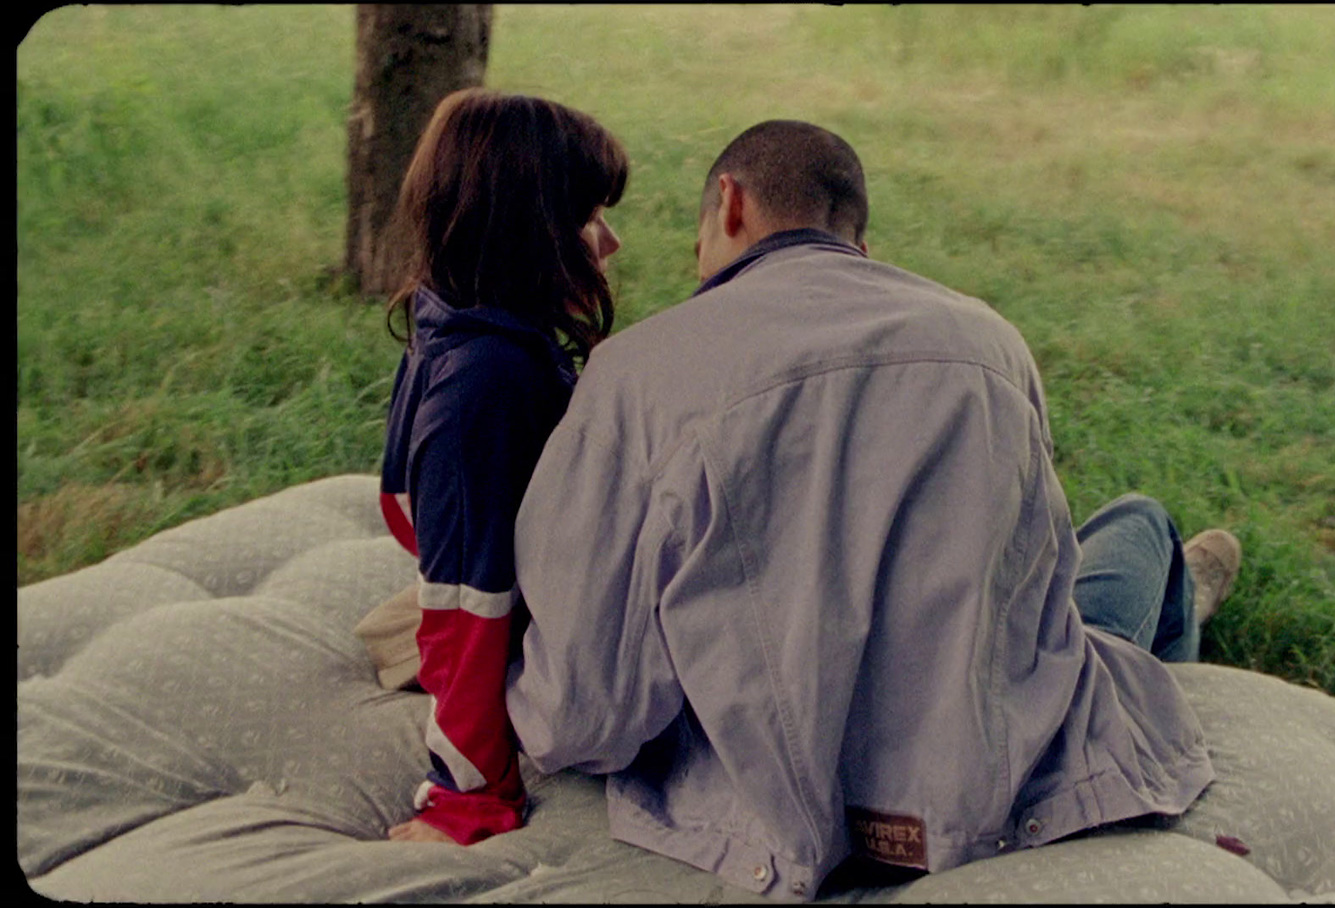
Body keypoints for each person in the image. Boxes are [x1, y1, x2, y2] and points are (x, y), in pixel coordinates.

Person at [503, 119, 1241, 899]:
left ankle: (1178, 588)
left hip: (770, 825)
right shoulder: (989, 340)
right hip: (1001, 783)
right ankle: (1181, 593)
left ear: (729, 205)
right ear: (858, 241)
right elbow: (1033, 594)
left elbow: (582, 718)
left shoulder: (636, 374)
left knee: (1126, 543)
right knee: (1137, 526)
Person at [374, 87, 628, 845]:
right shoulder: (486, 383)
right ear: (530, 229)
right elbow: (467, 608)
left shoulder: (455, 308)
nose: (609, 241)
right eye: (587, 218)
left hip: (504, 569)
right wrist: (467, 798)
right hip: (508, 604)